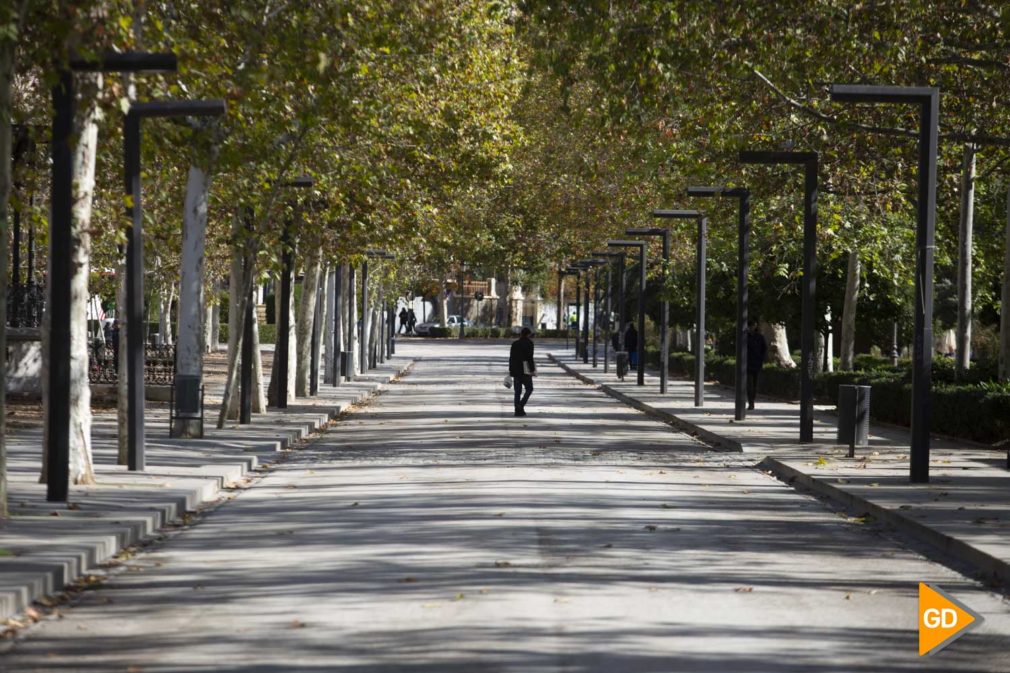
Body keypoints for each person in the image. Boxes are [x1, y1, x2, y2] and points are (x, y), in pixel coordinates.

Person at [509, 326, 536, 416]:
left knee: (517, 391)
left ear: (521, 334)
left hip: (516, 369)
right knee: (529, 388)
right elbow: (530, 358)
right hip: (525, 369)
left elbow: (511, 358)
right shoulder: (530, 343)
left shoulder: (515, 343)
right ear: (528, 335)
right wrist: (532, 369)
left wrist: (511, 370)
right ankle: (521, 405)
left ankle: (517, 409)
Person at [746, 319, 767, 410]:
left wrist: (762, 359)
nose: (752, 327)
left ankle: (752, 401)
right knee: (749, 384)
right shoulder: (745, 337)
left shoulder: (760, 337)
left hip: (757, 363)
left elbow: (764, 349)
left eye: (754, 325)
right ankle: (751, 402)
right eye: (751, 326)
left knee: (755, 385)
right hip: (747, 364)